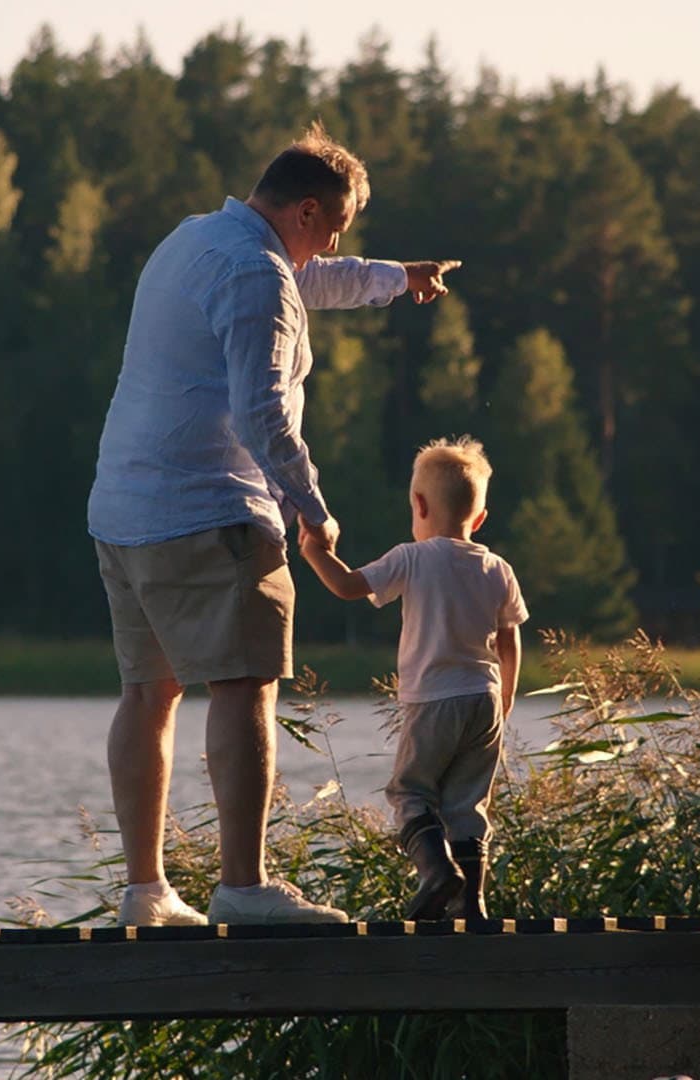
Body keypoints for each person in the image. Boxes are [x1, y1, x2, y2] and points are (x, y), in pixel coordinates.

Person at [87, 123, 461, 927]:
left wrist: (398, 278)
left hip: (123, 511)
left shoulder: (198, 239)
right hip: (209, 511)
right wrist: (312, 512)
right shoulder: (258, 276)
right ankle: (244, 888)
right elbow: (261, 413)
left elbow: (312, 281)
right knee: (247, 684)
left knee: (147, 693)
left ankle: (145, 892)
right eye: (335, 227)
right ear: (304, 210)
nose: (333, 245)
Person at [296, 436, 527, 920]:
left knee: (410, 792)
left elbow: (348, 586)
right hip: (485, 700)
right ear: (479, 518)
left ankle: (438, 873)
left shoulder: (412, 557)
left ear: (418, 504)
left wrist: (315, 551)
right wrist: (505, 697)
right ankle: (472, 905)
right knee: (467, 803)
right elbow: (509, 640)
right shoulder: (498, 568)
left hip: (432, 700)